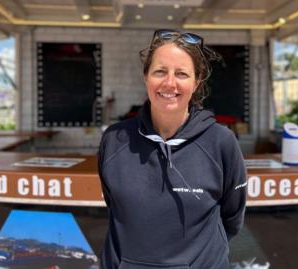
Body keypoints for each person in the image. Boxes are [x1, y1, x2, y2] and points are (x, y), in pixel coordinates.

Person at [98, 29, 247, 269]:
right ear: (146, 76)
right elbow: (115, 206)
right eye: (160, 71)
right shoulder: (115, 140)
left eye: (181, 74)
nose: (169, 83)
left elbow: (232, 217)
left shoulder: (221, 142)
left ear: (196, 81)